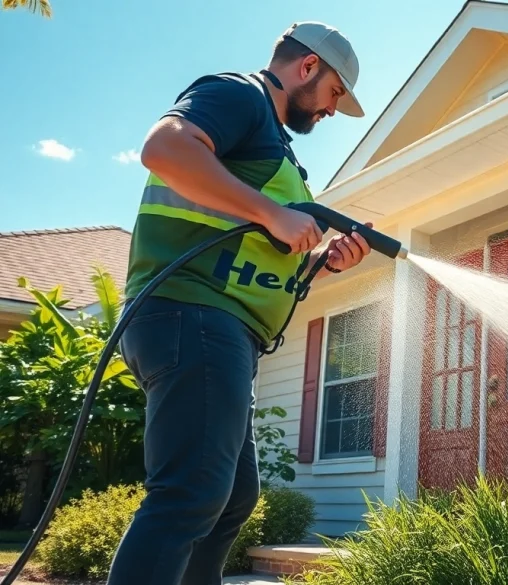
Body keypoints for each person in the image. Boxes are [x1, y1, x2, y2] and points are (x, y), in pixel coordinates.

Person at [106, 22, 371, 585]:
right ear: (308, 69)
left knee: (231, 497)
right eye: (334, 95)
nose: (329, 111)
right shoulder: (238, 94)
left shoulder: (274, 147)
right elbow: (164, 147)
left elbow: (255, 258)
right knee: (190, 494)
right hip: (192, 313)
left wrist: (324, 261)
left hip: (217, 326)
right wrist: (273, 213)